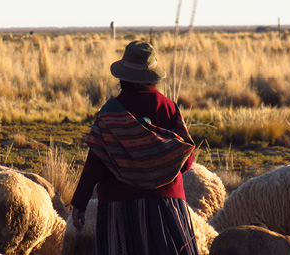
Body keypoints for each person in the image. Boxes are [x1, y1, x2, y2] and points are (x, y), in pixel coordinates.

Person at [70, 40, 199, 255]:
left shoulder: (110, 113)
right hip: (166, 207)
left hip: (119, 207)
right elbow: (186, 161)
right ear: (152, 76)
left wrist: (80, 203)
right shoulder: (169, 108)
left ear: (123, 76)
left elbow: (95, 161)